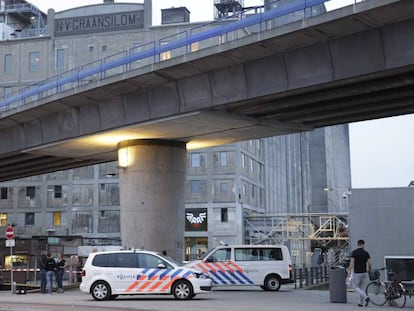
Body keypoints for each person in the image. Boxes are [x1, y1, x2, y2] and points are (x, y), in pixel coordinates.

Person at [348, 239, 372, 307]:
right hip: (364, 272)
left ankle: (366, 297)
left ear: (358, 244)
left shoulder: (354, 252)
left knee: (355, 287)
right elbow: (370, 263)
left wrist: (349, 271)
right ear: (363, 244)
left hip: (357, 272)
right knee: (361, 288)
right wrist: (369, 270)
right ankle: (360, 303)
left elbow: (352, 263)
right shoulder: (366, 253)